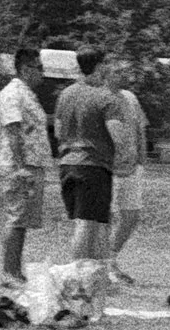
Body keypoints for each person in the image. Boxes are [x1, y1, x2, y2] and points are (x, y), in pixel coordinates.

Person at [52, 50, 132, 268]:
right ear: (98, 67)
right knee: (88, 224)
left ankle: (94, 276)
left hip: (67, 164)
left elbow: (58, 131)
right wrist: (125, 158)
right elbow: (117, 134)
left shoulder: (66, 94)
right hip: (93, 166)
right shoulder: (105, 97)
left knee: (94, 223)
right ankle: (77, 277)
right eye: (106, 64)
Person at [0, 47, 50, 292]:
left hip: (32, 165)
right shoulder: (12, 94)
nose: (43, 73)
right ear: (26, 69)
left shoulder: (28, 94)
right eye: (40, 68)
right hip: (19, 167)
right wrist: (21, 168)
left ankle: (15, 270)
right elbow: (13, 132)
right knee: (16, 218)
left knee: (22, 220)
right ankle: (9, 273)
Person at [106, 59, 150, 287]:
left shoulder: (130, 98)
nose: (123, 75)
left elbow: (141, 128)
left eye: (126, 71)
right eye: (118, 71)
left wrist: (142, 159)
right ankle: (103, 266)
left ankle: (111, 259)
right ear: (107, 72)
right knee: (107, 218)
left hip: (132, 168)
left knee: (131, 216)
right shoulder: (101, 97)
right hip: (108, 168)